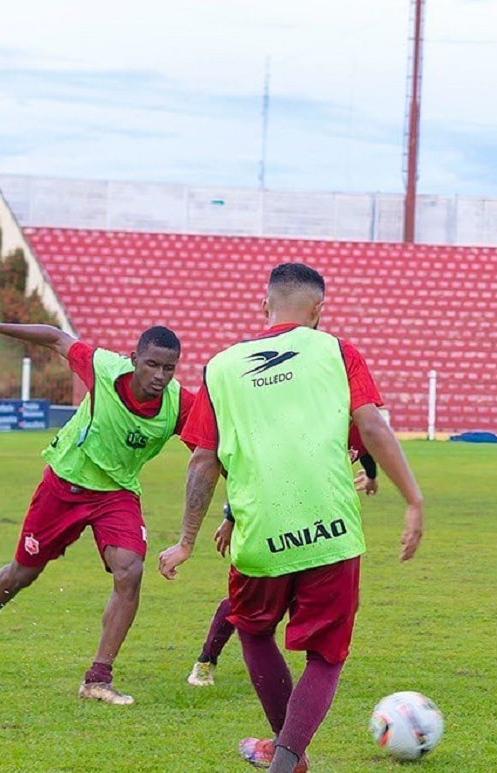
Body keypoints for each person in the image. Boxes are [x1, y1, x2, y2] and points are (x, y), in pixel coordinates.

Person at [157, 263, 424, 773]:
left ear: (265, 306)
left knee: (253, 631)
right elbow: (370, 424)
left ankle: (287, 757)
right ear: (318, 311)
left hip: (259, 533)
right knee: (325, 656)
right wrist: (413, 499)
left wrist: (188, 540)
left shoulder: (221, 367)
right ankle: (286, 759)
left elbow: (203, 460)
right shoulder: (337, 350)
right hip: (332, 532)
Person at [0, 297, 193, 705]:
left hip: (116, 493)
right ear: (134, 357)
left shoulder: (178, 404)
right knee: (21, 575)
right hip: (64, 485)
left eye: (169, 368)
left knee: (130, 571)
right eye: (152, 365)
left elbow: (210, 450)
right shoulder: (102, 367)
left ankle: (97, 679)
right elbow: (54, 337)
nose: (160, 376)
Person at [187, 446, 379, 687]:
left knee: (342, 600)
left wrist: (371, 475)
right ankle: (207, 659)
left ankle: (318, 673)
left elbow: (366, 442)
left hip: (321, 525)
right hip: (274, 522)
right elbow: (252, 475)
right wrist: (230, 519)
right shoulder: (304, 423)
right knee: (247, 604)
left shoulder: (350, 423)